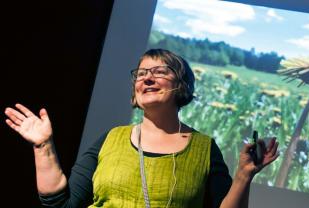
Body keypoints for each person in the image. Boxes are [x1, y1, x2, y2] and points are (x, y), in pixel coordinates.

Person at [4, 48, 279, 208]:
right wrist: (43, 146)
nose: (148, 78)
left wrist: (244, 175)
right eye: (142, 73)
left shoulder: (204, 148)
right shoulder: (111, 139)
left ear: (181, 86)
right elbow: (62, 205)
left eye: (160, 72)